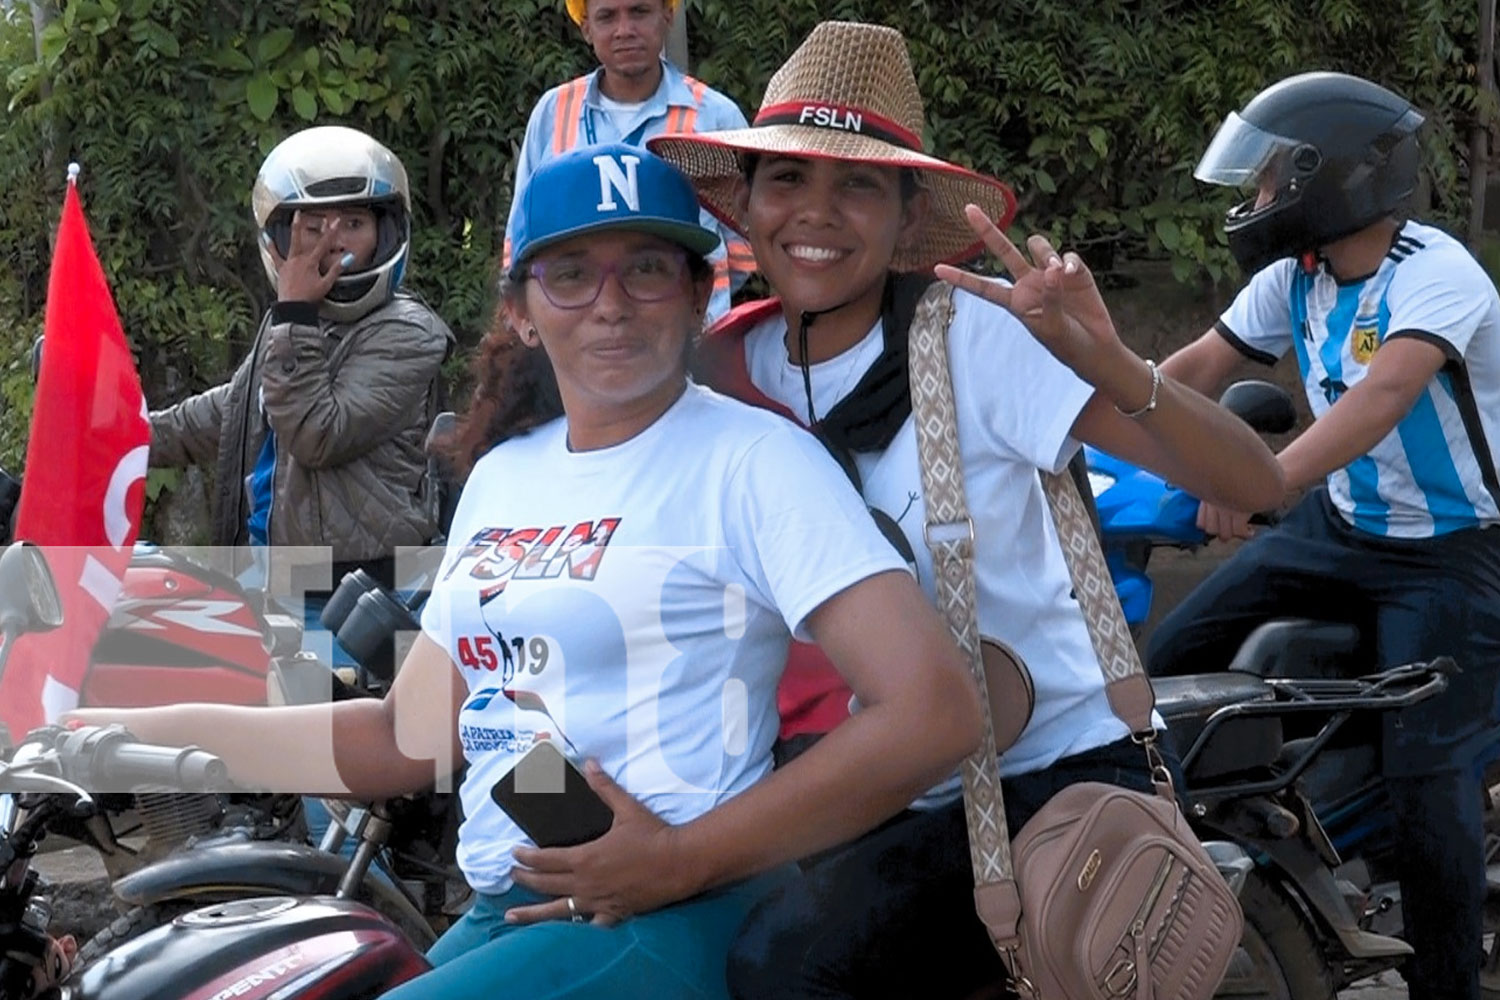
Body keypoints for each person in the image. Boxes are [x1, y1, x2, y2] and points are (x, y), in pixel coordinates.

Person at [66, 142, 983, 1000]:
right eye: (572, 274)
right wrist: (114, 728)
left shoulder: (753, 460)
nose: (611, 303)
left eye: (649, 269)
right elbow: (407, 735)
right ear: (522, 309)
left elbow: (934, 712)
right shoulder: (509, 472)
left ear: (699, 294)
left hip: (671, 910)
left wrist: (682, 859)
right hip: (517, 897)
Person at [648, 20, 1286, 999]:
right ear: (743, 201)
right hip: (855, 771)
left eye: (857, 183)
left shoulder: (982, 336)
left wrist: (1105, 359)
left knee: (784, 966)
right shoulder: (726, 367)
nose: (816, 213)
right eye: (787, 180)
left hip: (1042, 771)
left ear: (908, 216)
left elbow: (1255, 483)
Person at [1149, 71, 1500, 1000]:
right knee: (1157, 675)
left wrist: (1255, 480)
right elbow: (1188, 372)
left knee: (1433, 780)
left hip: (1452, 552)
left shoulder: (1437, 274)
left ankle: (1447, 985)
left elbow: (1383, 401)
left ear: (1331, 179)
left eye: (1268, 181)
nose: (1257, 200)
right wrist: (1082, 419)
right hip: (1339, 527)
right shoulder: (1292, 278)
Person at [148, 124, 454, 636]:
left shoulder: (408, 333)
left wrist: (293, 312)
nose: (331, 244)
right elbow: (238, 407)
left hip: (365, 595)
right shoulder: (298, 325)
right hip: (281, 579)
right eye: (312, 228)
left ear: (386, 233)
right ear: (282, 241)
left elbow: (317, 433)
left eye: (353, 223)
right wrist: (120, 433)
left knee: (322, 716)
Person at [503, 0, 755, 324]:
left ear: (667, 14)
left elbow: (747, 247)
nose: (625, 30)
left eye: (639, 12)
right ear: (586, 29)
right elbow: (521, 239)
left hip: (694, 341)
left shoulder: (716, 117)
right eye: (607, 17)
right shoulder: (553, 113)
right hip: (582, 341)